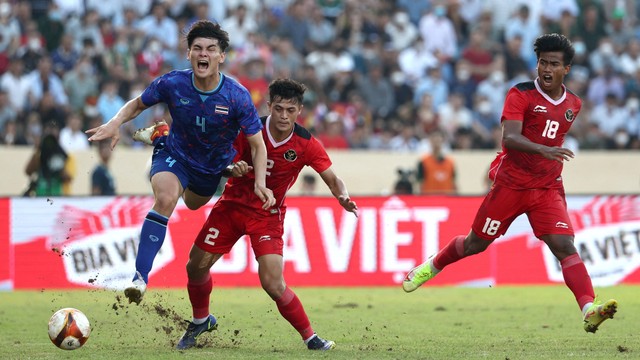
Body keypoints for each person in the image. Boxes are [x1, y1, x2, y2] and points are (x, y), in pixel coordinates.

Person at [402, 33, 618, 333]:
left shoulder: (574, 104)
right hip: (511, 185)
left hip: (546, 188)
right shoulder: (521, 93)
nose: (546, 69)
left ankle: (588, 309)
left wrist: (548, 158)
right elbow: (510, 138)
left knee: (565, 246)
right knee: (475, 244)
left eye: (553, 64)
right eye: (542, 62)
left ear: (566, 69)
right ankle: (432, 266)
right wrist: (545, 149)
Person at [85, 20, 276, 305]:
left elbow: (258, 145)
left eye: (211, 49)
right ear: (188, 54)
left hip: (211, 168)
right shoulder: (173, 83)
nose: (204, 54)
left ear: (221, 56)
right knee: (165, 197)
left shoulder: (237, 96)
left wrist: (258, 181)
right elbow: (137, 104)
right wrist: (115, 123)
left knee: (194, 203)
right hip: (175, 155)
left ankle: (161, 132)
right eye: (197, 48)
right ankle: (140, 277)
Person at [175, 79, 358, 351]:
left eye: (291, 110)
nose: (284, 116)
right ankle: (201, 320)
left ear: (300, 111)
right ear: (269, 105)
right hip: (232, 208)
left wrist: (342, 195)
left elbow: (332, 178)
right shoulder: (249, 130)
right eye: (279, 108)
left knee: (273, 283)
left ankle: (311, 338)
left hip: (267, 214)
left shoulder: (306, 143)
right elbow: (222, 162)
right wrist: (231, 169)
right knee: (195, 266)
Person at [416, 130, 457, 194]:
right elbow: (419, 183)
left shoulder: (450, 162)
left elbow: (454, 183)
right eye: (434, 139)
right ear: (430, 141)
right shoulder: (423, 162)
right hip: (429, 198)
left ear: (443, 141)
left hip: (447, 199)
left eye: (438, 139)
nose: (436, 142)